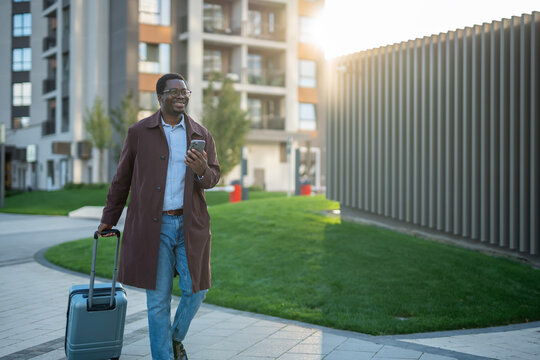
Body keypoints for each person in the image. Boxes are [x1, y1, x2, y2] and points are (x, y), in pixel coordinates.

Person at [97, 73, 220, 360]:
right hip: (155, 228)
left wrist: (202, 169)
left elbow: (213, 177)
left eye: (185, 91)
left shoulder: (201, 134)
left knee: (196, 290)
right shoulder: (139, 132)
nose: (181, 95)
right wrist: (109, 217)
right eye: (174, 91)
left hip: (190, 226)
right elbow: (122, 178)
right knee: (158, 301)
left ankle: (175, 338)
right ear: (159, 97)